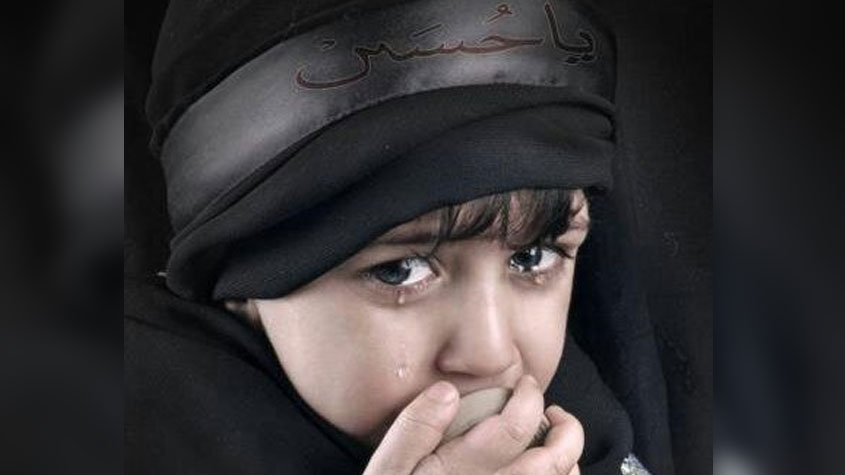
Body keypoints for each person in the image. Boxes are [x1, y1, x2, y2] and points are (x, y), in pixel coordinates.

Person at [126, 0, 672, 473]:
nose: (491, 354)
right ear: (240, 279)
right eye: (399, 270)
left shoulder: (582, 423)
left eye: (532, 258)